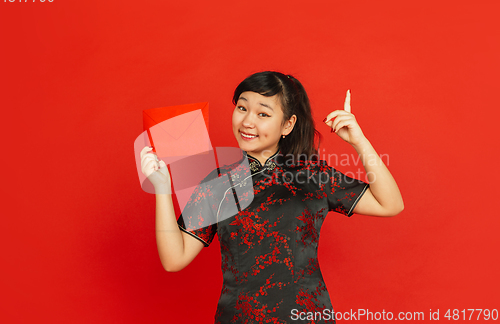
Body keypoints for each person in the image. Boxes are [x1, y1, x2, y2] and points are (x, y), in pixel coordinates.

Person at [140, 71, 404, 323]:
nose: (247, 122)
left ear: (287, 125)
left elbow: (390, 204)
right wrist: (162, 189)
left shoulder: (311, 175)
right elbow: (174, 259)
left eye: (262, 113)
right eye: (242, 108)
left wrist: (359, 141)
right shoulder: (219, 184)